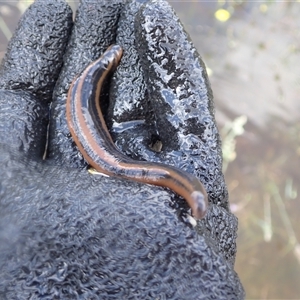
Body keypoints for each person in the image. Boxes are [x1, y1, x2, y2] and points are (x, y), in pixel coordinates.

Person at [0, 0, 244, 298]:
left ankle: (195, 198)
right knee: (105, 141)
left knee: (103, 137)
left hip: (103, 141)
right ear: (110, 61)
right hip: (104, 148)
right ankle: (194, 199)